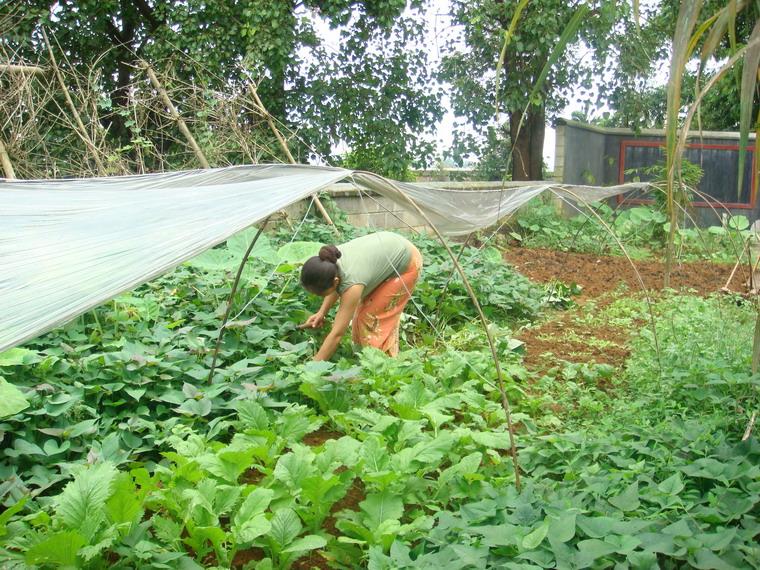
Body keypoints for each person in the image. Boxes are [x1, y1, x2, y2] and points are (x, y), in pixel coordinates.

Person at [299, 231, 423, 361]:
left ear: (335, 281)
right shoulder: (329, 260)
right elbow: (335, 286)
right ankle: (364, 358)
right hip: (390, 247)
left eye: (320, 293)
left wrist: (315, 364)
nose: (318, 296)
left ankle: (381, 365)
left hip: (407, 263)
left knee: (370, 318)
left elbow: (337, 334)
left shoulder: (352, 284)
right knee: (362, 315)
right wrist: (321, 312)